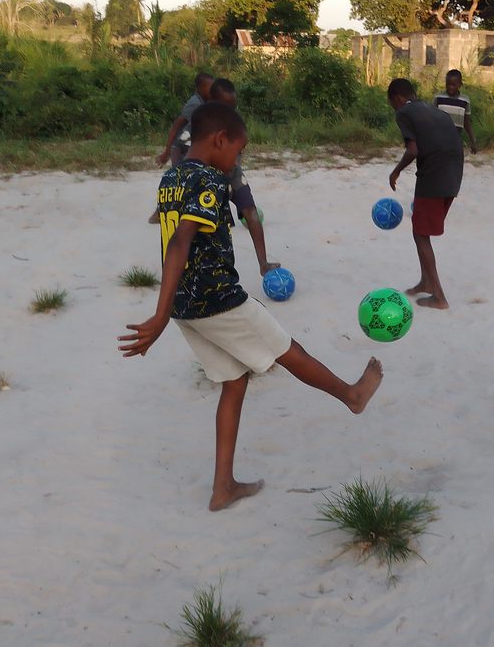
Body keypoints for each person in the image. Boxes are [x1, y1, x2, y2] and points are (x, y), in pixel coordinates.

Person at [119, 102, 383, 511]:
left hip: (187, 307)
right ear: (219, 139)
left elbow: (175, 240)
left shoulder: (172, 177)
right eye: (237, 151)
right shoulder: (209, 179)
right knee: (287, 349)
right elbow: (181, 242)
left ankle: (222, 486)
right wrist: (158, 315)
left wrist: (169, 311)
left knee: (235, 380)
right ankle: (351, 395)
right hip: (218, 299)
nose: (237, 160)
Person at [387, 77, 464, 310]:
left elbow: (413, 150)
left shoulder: (404, 113)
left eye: (392, 103)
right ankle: (426, 282)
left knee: (421, 235)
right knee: (420, 230)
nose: (393, 108)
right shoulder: (435, 110)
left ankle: (439, 296)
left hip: (434, 176)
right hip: (454, 174)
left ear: (397, 98)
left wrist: (396, 171)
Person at [205, 77, 280, 275]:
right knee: (214, 227)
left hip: (233, 173)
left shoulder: (234, 121)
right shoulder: (203, 121)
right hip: (209, 177)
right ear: (212, 101)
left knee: (251, 212)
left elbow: (241, 145)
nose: (230, 110)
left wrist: (234, 160)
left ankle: (263, 263)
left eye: (233, 106)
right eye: (225, 105)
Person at [149, 72, 214, 223]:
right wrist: (166, 152)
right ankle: (159, 212)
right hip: (179, 148)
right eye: (209, 87)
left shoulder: (206, 102)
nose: (212, 90)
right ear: (200, 88)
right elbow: (176, 127)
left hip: (191, 149)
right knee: (178, 180)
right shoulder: (194, 104)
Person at [433, 69, 477, 154]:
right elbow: (432, 119)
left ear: (460, 84)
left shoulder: (464, 100)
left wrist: (473, 141)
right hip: (439, 140)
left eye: (453, 85)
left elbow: (467, 122)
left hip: (456, 141)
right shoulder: (438, 98)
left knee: (455, 161)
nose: (450, 87)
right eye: (448, 84)